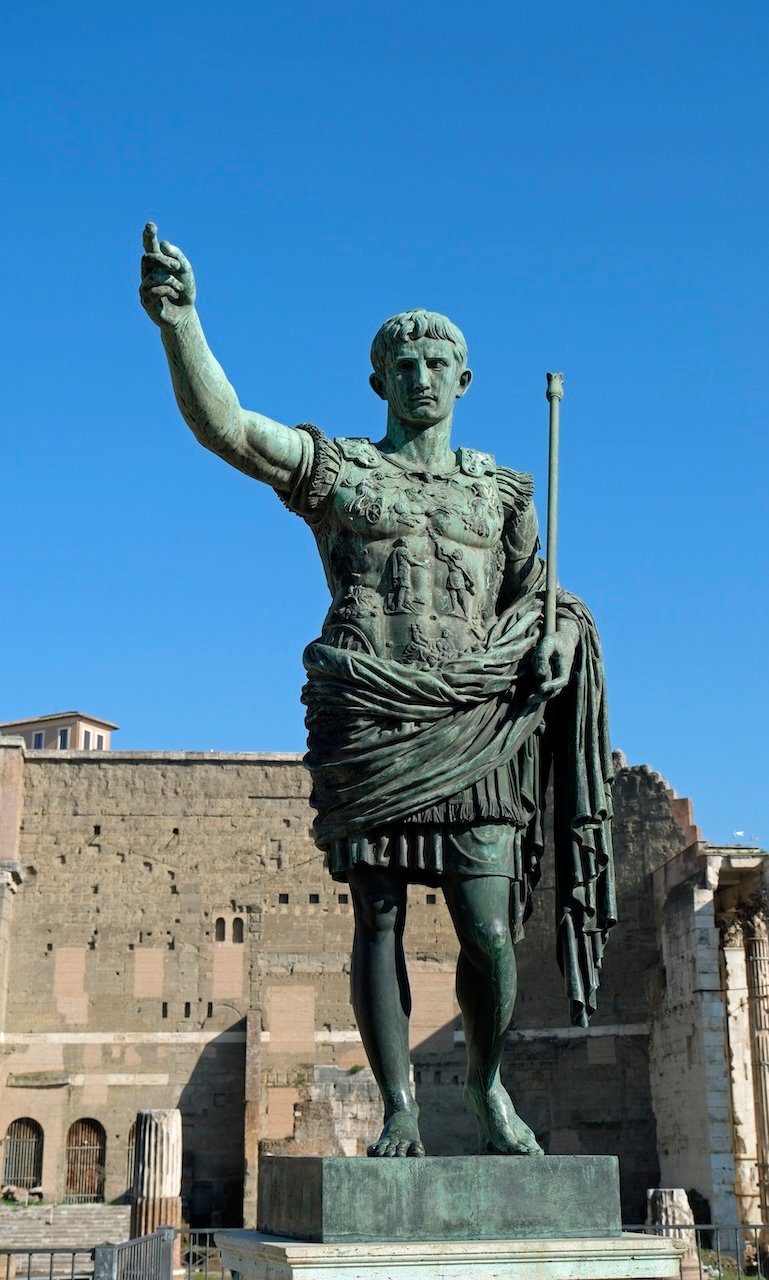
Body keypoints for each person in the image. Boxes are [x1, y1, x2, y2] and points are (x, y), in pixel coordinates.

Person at [139, 223, 616, 1158]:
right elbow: (227, 429)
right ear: (378, 382)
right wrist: (181, 323)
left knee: (485, 927)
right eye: (404, 362)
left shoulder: (503, 494)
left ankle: (483, 1087)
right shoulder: (342, 475)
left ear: (463, 382)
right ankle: (399, 1105)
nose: (423, 375)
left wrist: (558, 641)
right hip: (371, 721)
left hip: (475, 725)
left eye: (440, 361)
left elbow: (544, 598)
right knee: (380, 918)